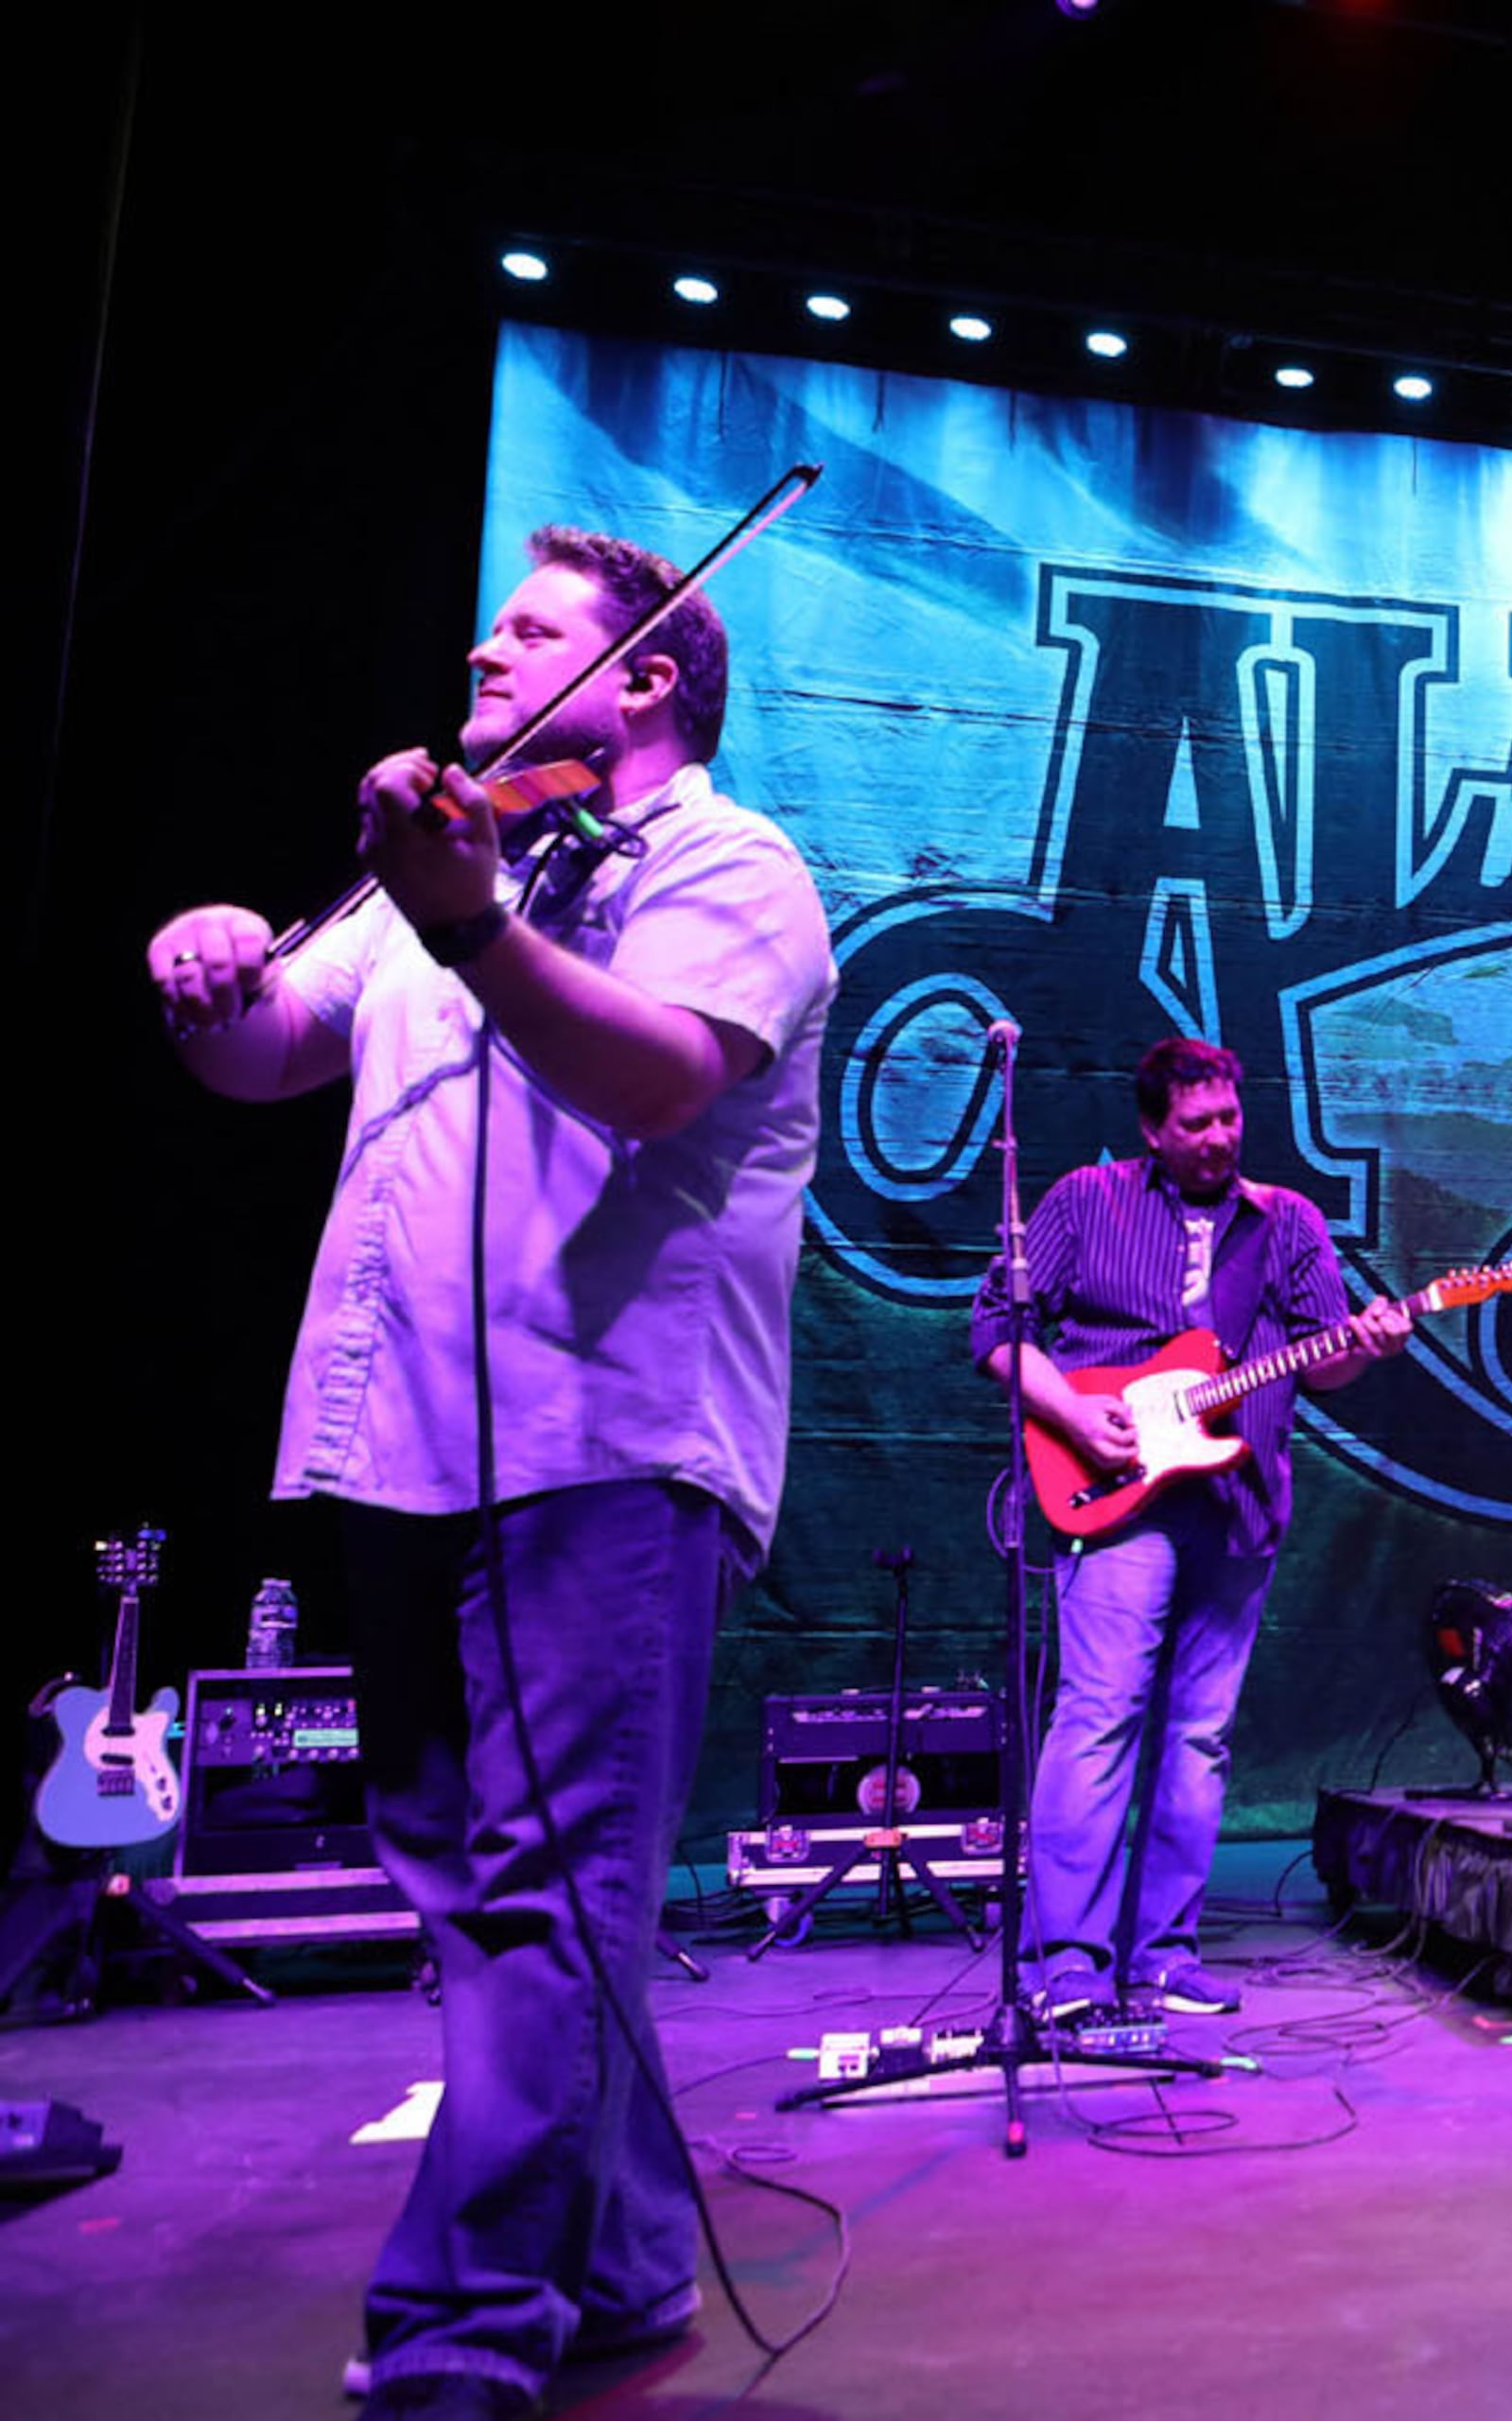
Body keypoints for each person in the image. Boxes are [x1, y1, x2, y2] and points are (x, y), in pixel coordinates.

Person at [148, 527, 837, 2421]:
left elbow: (663, 1080)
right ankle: (614, 2265)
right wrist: (210, 976)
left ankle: (460, 2331)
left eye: (529, 632)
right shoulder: (441, 869)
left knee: (548, 1885)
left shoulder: (724, 861)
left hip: (599, 1441)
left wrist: (468, 918)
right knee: (479, 1887)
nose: (479, 643)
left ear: (644, 683)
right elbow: (279, 1053)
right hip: (403, 1441)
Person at [974, 1037, 1412, 2026]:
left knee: (1199, 1738)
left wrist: (1373, 1347)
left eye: (1229, 1118)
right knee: (1098, 1720)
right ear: (1152, 1129)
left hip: (1238, 1500)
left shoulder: (1287, 1221)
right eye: (1196, 1124)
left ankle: (1164, 1951)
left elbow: (1322, 1362)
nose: (1219, 1138)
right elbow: (999, 1328)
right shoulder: (1088, 1201)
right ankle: (1068, 1963)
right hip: (1111, 1487)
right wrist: (1078, 1417)